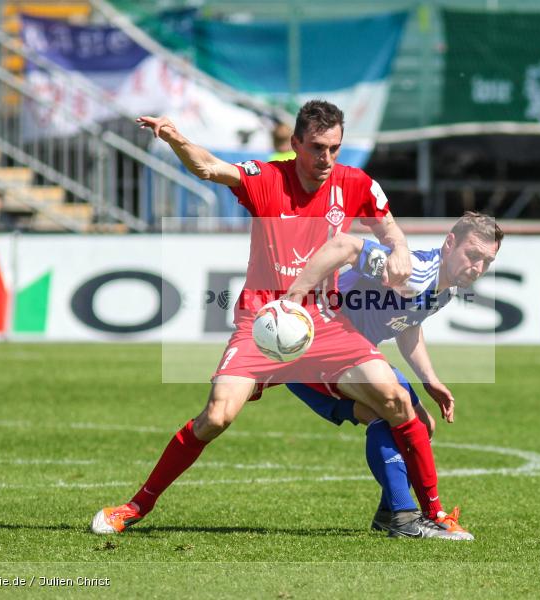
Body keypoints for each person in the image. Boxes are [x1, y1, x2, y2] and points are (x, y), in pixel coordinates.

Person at [92, 100, 472, 540]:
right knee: (216, 417)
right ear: (295, 144)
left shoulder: (355, 183)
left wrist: (401, 249)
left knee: (396, 401)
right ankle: (135, 507)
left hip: (323, 322)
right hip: (264, 321)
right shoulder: (268, 178)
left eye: (334, 147)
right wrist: (177, 139)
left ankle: (434, 515)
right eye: (316, 147)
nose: (326, 158)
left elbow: (388, 228)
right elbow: (210, 168)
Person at [284, 212, 502, 538]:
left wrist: (430, 379)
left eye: (487, 261)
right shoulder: (412, 271)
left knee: (419, 424)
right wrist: (295, 295)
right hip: (319, 352)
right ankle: (419, 514)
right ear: (449, 243)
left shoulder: (446, 290)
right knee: (397, 414)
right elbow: (345, 245)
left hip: (345, 362)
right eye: (472, 255)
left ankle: (393, 512)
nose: (478, 267)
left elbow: (407, 326)